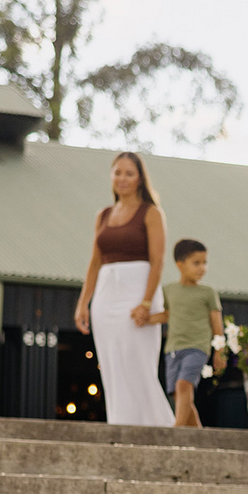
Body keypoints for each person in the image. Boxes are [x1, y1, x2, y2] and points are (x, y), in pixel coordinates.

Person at [74, 152, 176, 427]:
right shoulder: (103, 215)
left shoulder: (151, 213)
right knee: (111, 365)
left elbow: (158, 262)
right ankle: (120, 426)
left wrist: (145, 303)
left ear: (140, 178)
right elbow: (94, 262)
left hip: (138, 291)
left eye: (129, 173)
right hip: (106, 295)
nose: (122, 178)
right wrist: (84, 302)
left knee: (137, 363)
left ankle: (160, 428)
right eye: (117, 172)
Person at [142, 238, 224, 428]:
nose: (202, 268)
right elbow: (167, 315)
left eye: (205, 263)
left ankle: (177, 429)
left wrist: (220, 352)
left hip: (197, 348)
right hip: (172, 349)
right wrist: (145, 318)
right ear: (180, 265)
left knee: (183, 385)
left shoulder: (208, 293)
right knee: (180, 395)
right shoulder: (169, 290)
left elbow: (217, 325)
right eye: (196, 263)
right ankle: (199, 437)